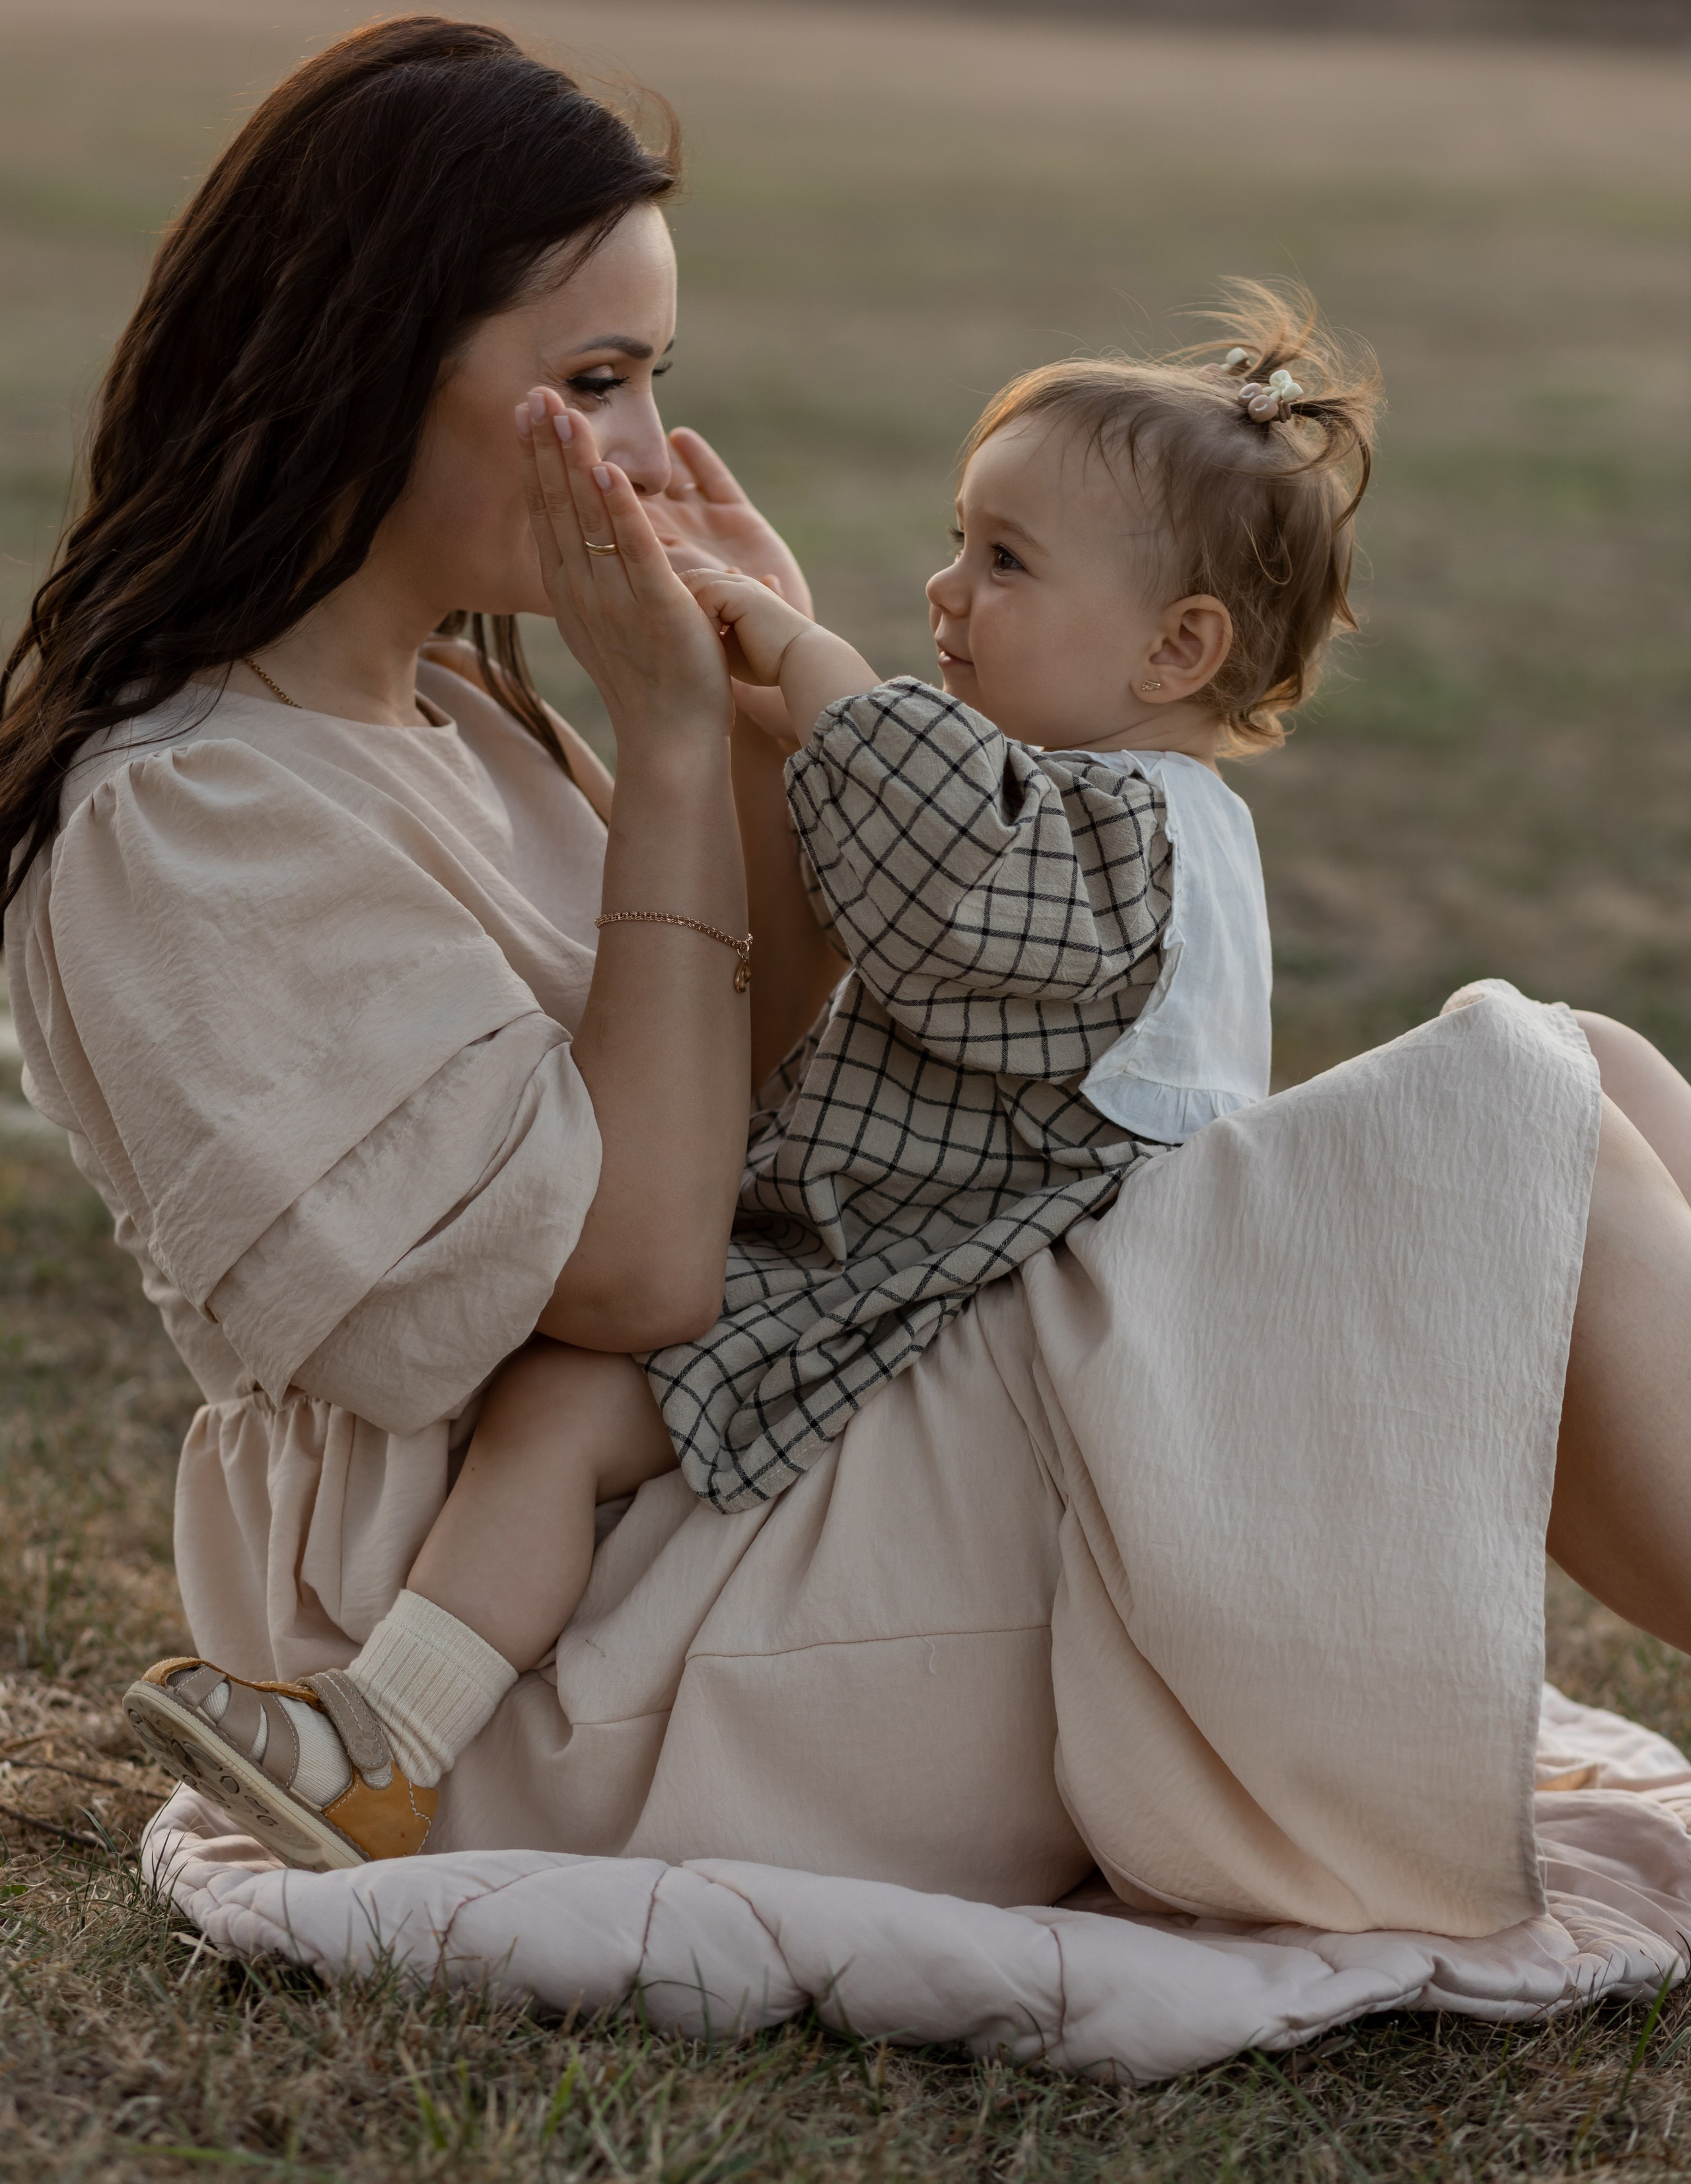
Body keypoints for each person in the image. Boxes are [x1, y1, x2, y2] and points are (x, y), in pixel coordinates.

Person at [12, 14, 1691, 1937]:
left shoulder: (469, 721)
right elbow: (638, 1271)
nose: (641, 452)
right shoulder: (199, 813)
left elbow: (744, 1100)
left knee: (1594, 1079)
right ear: (367, 371)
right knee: (1513, 1108)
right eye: (595, 379)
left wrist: (740, 735)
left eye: (654, 381)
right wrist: (666, 753)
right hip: (552, 1655)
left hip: (750, 1463)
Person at [118, 289, 1377, 1872]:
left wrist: (801, 650)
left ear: (1176, 647)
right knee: (565, 1408)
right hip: (918, 1292)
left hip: (962, 1322)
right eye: (956, 538)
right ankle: (383, 1736)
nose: (944, 588)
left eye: (1005, 561)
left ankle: (388, 1734)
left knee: (564, 1409)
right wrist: (766, 735)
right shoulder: (1080, 813)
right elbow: (824, 967)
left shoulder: (1123, 833)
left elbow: (939, 868)